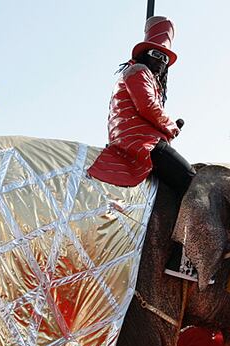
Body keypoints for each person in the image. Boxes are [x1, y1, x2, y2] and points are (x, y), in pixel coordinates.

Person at [87, 16, 198, 280]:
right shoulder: (138, 72)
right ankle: (181, 258)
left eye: (165, 58)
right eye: (156, 54)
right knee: (191, 182)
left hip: (135, 138)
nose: (161, 61)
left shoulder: (143, 76)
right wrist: (170, 126)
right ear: (143, 54)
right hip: (141, 142)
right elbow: (147, 106)